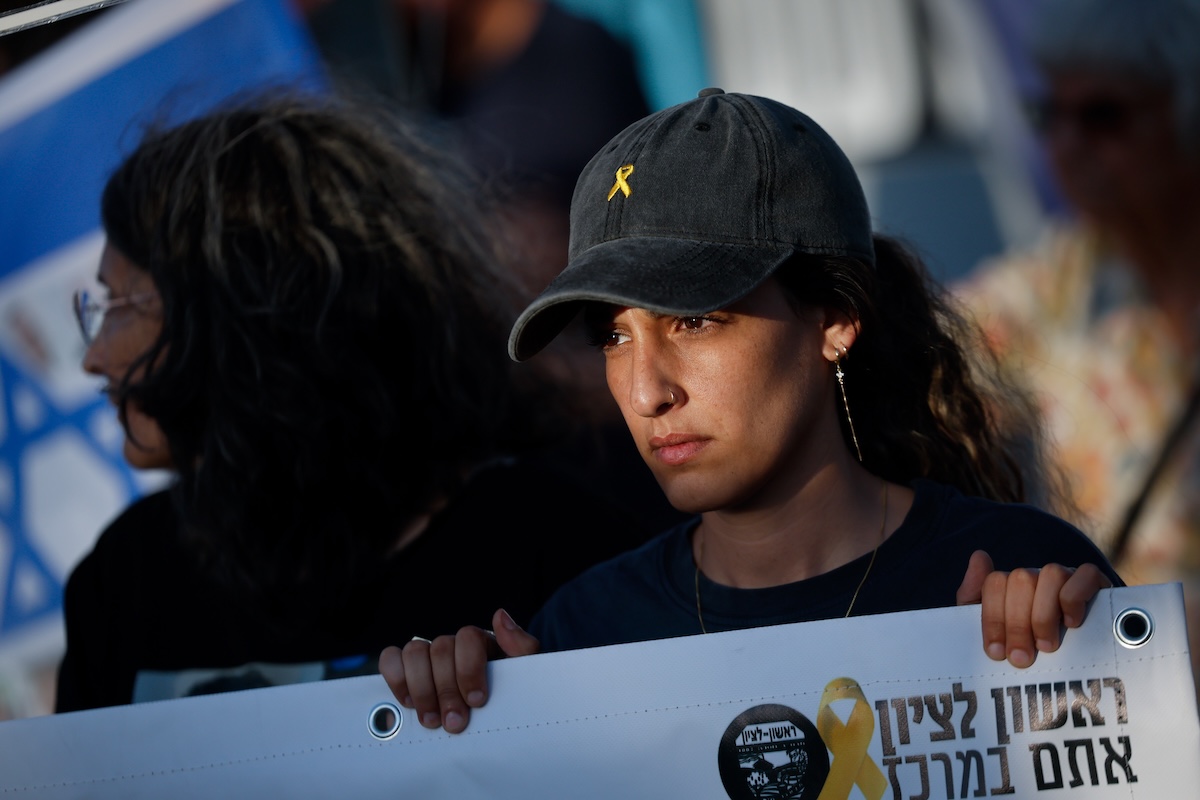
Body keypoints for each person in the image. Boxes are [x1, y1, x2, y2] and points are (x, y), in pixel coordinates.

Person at [379, 88, 1122, 734]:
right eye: (612, 336)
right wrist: (475, 727)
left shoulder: (1018, 585)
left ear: (834, 319)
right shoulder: (585, 634)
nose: (646, 392)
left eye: (694, 320)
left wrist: (1065, 680)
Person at [55, 93, 652, 712]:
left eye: (116, 307)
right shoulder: (126, 580)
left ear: (244, 322)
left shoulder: (556, 547)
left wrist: (542, 705)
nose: (93, 357)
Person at [955, 0, 1200, 697]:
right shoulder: (1066, 280)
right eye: (1047, 115)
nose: (1065, 144)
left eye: (1103, 116)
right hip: (1130, 699)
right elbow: (920, 363)